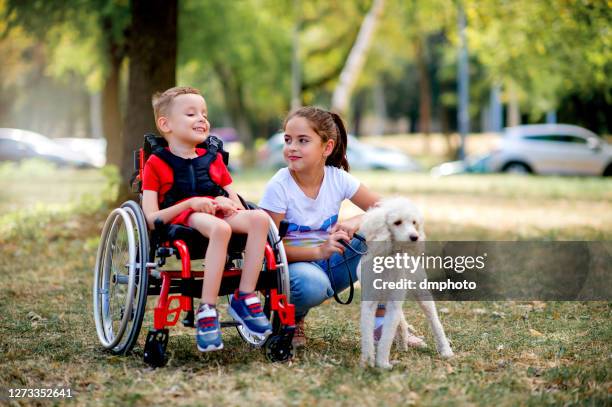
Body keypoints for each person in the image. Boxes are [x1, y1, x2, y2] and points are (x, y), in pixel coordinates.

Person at [142, 86, 272, 352]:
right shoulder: (156, 163)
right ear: (165, 124)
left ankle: (244, 296)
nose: (202, 119)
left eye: (204, 113)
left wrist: (227, 203)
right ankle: (207, 310)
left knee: (259, 218)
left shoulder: (212, 159)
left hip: (215, 212)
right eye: (191, 113)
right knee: (220, 228)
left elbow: (236, 202)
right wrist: (190, 204)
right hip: (182, 219)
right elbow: (151, 217)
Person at [259, 106, 386, 347]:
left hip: (328, 263)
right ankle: (293, 318)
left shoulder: (337, 178)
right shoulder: (280, 185)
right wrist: (318, 252)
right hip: (289, 269)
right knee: (314, 284)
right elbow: (267, 250)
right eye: (288, 140)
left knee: (384, 232)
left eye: (302, 140)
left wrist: (355, 221)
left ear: (326, 147)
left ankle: (384, 326)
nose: (292, 147)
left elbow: (387, 209)